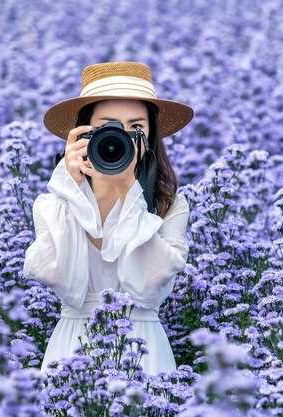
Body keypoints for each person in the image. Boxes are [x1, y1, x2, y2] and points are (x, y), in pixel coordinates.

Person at [23, 61, 194, 376]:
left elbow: (150, 288)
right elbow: (60, 281)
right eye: (109, 128)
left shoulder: (169, 204)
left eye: (137, 129)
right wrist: (78, 191)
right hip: (72, 351)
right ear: (84, 134)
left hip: (143, 353)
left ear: (152, 135)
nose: (123, 140)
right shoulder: (55, 205)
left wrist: (129, 192)